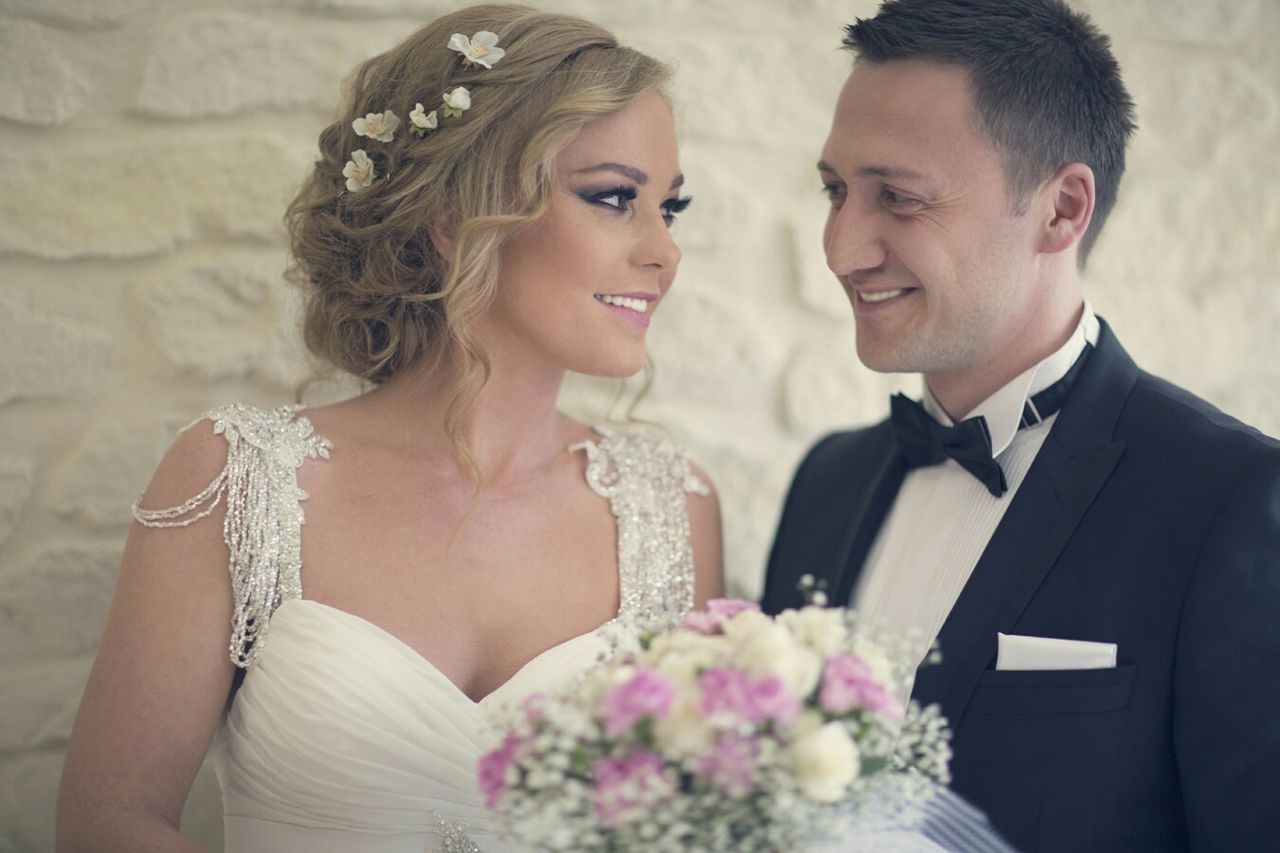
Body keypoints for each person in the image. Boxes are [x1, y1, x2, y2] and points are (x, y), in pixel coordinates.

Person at [56, 5, 724, 851]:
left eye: (672, 206)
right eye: (616, 198)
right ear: (452, 216)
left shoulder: (674, 506)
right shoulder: (237, 477)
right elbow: (106, 821)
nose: (665, 251)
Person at [762, 0, 1280, 850]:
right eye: (835, 190)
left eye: (897, 196)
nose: (841, 246)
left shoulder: (1229, 500)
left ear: (1062, 209)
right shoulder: (826, 483)